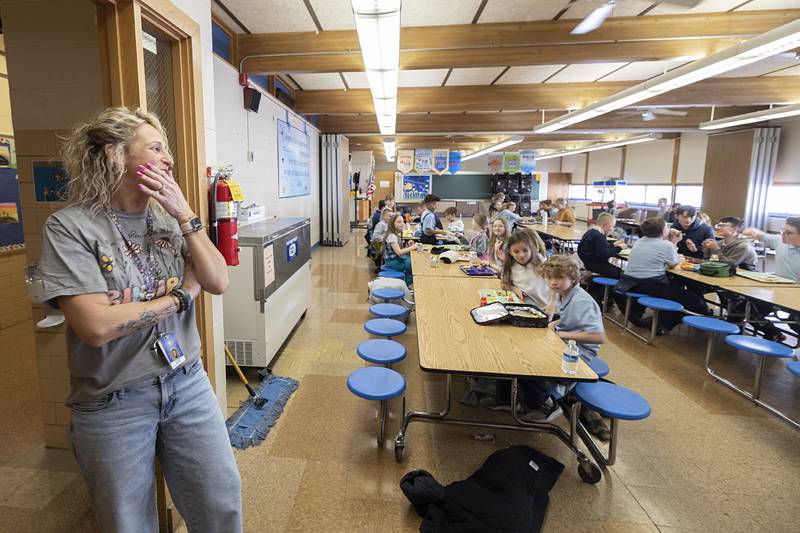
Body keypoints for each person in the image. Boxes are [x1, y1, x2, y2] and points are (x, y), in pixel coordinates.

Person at [38, 107, 242, 531]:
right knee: (127, 523)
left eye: (166, 148)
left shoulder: (169, 220)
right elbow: (95, 327)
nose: (168, 158)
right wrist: (182, 297)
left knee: (220, 504)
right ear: (115, 157)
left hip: (186, 380)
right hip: (113, 399)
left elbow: (218, 280)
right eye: (155, 148)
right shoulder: (70, 228)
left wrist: (186, 214)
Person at [615, 217, 710, 334]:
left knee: (676, 289)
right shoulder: (666, 245)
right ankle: (661, 324)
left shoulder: (640, 241)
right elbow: (674, 265)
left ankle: (658, 320)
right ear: (662, 231)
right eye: (667, 227)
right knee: (694, 300)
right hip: (649, 284)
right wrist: (675, 243)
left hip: (630, 282)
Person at [743, 217, 800, 340]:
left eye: (788, 233)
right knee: (745, 307)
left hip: (796, 296)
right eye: (782, 231)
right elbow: (761, 236)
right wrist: (751, 231)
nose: (783, 235)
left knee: (795, 322)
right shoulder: (780, 241)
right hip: (778, 290)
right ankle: (774, 334)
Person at [578, 213, 628, 308]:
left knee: (619, 274)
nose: (612, 229)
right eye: (612, 226)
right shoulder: (599, 236)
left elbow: (598, 248)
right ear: (605, 225)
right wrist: (619, 248)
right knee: (623, 276)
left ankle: (603, 296)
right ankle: (599, 295)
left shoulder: (591, 232)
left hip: (590, 264)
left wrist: (612, 245)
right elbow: (604, 254)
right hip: (598, 266)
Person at [500, 229, 552, 310]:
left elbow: (558, 286)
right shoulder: (509, 266)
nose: (521, 255)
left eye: (525, 250)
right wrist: (514, 288)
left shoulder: (541, 262)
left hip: (546, 307)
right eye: (516, 252)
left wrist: (554, 304)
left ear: (531, 249)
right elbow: (504, 284)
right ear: (510, 252)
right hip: (526, 308)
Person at [383, 213, 416, 286]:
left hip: (395, 258)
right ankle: (404, 285)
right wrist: (411, 248)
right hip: (391, 261)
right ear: (392, 223)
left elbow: (398, 250)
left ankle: (407, 281)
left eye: (403, 222)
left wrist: (408, 246)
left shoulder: (396, 234)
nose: (402, 224)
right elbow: (399, 252)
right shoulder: (392, 236)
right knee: (412, 266)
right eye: (399, 222)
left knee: (411, 261)